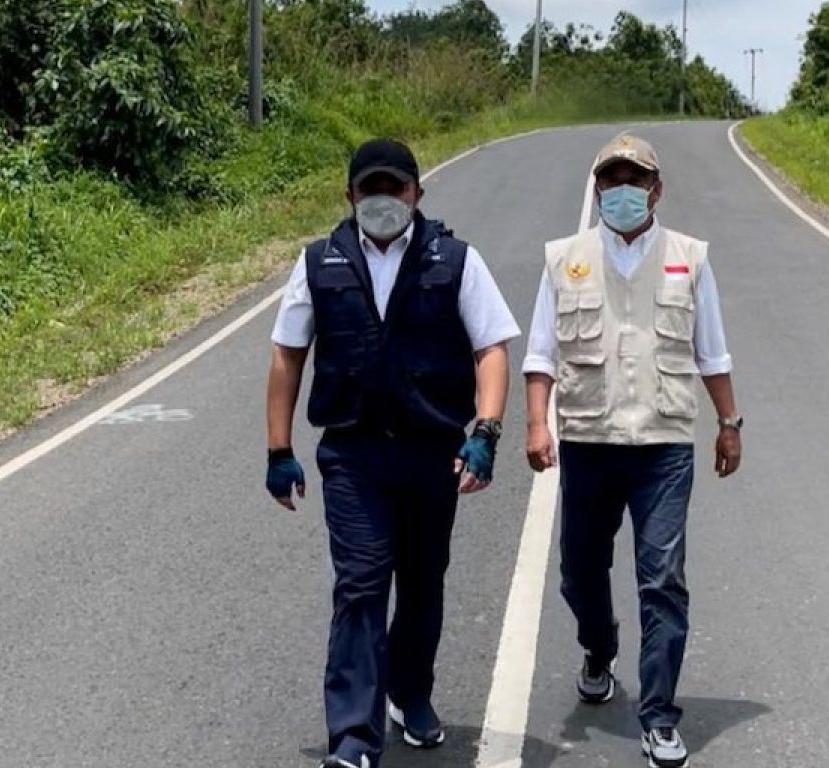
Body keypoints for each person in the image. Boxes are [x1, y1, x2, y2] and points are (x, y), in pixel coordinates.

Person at [264, 139, 520, 768]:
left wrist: (485, 433)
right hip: (353, 455)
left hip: (434, 452)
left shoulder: (455, 260)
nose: (384, 200)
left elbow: (491, 349)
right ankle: (353, 737)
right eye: (371, 189)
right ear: (351, 196)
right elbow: (287, 354)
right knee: (361, 583)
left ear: (417, 195)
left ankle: (412, 693)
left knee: (423, 582)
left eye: (396, 188)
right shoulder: (318, 263)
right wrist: (279, 448)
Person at [522, 134, 743, 768]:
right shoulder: (565, 259)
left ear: (657, 190)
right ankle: (599, 645)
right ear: (597, 190)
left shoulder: (689, 259)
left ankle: (658, 715)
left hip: (664, 447)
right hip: (589, 442)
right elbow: (540, 353)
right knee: (578, 574)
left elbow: (713, 351)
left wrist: (730, 421)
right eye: (612, 179)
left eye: (635, 179)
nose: (623, 189)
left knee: (663, 580)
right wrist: (537, 424)